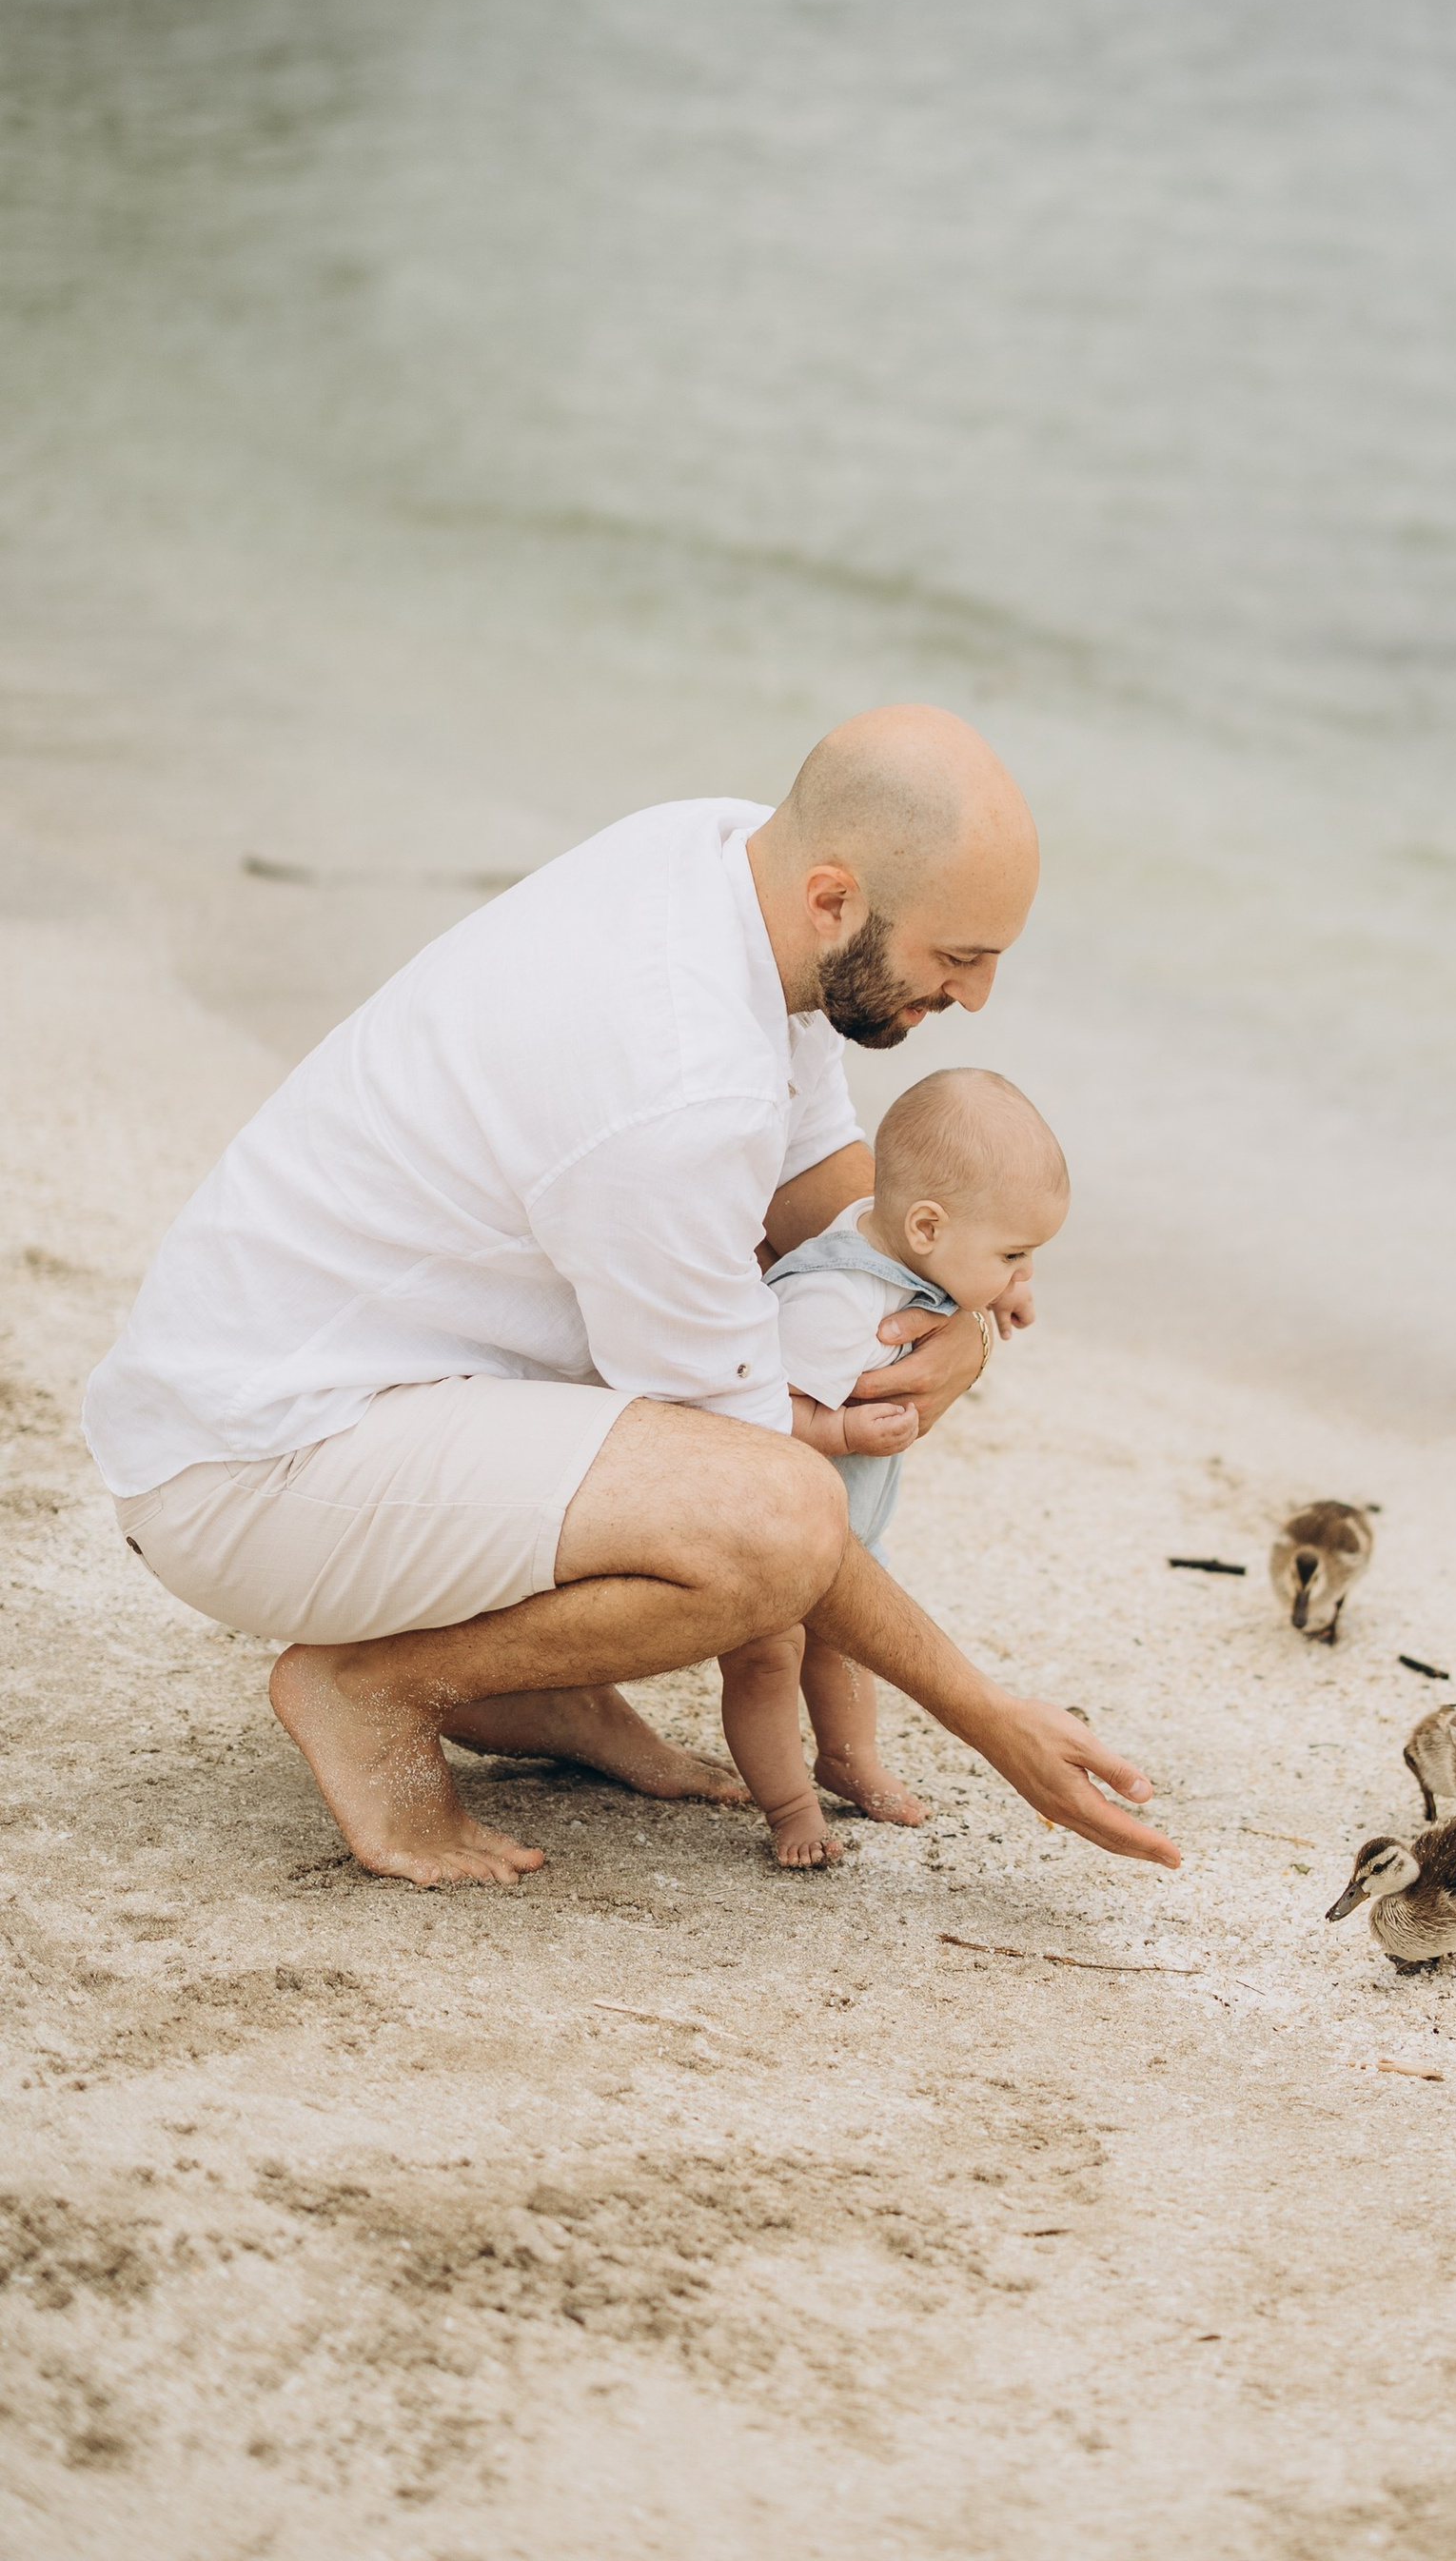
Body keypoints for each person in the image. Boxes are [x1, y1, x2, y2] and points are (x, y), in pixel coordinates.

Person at [81, 705, 1177, 1890]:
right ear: (834, 900)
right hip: (259, 1464)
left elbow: (817, 1196)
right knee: (776, 1522)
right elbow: (770, 1491)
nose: (976, 996)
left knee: (822, 1349)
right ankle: (374, 1688)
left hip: (343, 1388)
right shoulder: (677, 1084)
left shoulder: (719, 862)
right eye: (956, 958)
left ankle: (533, 1687)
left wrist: (956, 1317)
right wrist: (987, 1712)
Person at [718, 1064, 1070, 1864]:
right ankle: (789, 1807)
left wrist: (993, 1293)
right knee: (768, 1659)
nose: (1025, 1272)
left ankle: (848, 1759)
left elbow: (960, 1278)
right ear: (926, 1229)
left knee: (845, 1638)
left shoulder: (915, 1256)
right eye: (1014, 1253)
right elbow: (750, 1417)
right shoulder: (835, 1302)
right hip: (767, 1525)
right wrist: (840, 1434)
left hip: (843, 1525)